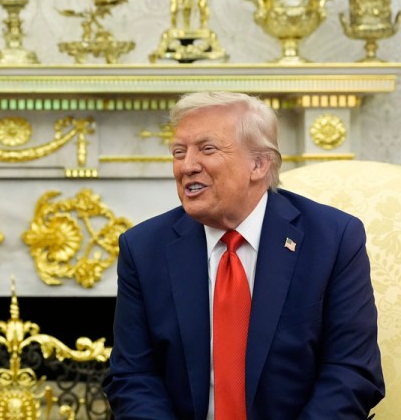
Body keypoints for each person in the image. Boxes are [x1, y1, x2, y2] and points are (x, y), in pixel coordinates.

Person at [103, 91, 384, 419]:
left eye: (207, 149)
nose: (187, 166)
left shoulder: (333, 238)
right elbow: (133, 375)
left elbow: (350, 371)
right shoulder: (143, 247)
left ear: (259, 164)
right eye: (179, 152)